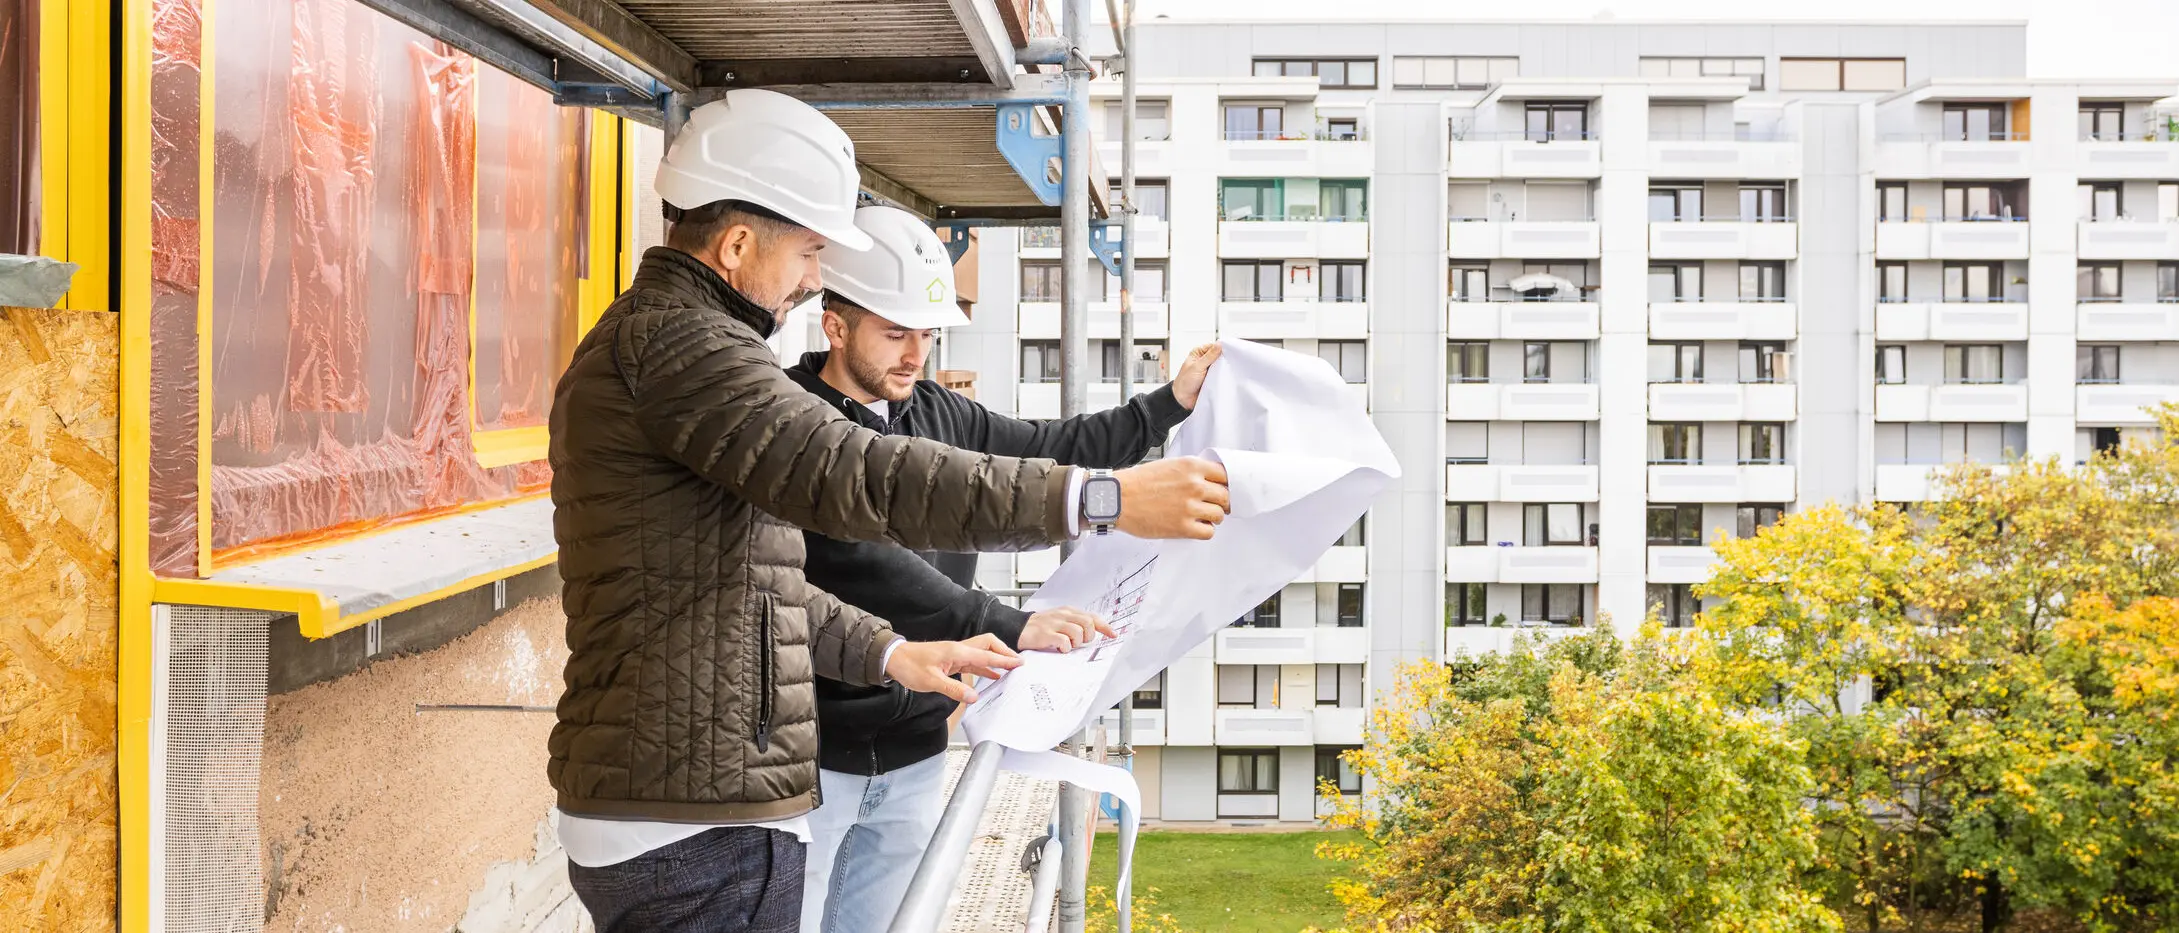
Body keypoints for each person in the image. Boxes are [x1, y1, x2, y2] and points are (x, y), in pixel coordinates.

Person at [547, 88, 1233, 933]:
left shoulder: (681, 349)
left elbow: (744, 589)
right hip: (691, 811)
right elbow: (862, 474)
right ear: (734, 244)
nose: (808, 282)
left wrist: (890, 651)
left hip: (695, 797)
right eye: (806, 254)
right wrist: (1102, 500)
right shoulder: (687, 350)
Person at [785, 205, 1221, 933]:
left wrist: (1167, 405)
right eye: (895, 333)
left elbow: (1051, 447)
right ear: (834, 325)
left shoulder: (936, 412)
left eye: (926, 334)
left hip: (917, 747)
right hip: (811, 754)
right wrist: (1009, 625)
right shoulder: (792, 419)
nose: (915, 354)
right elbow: (860, 561)